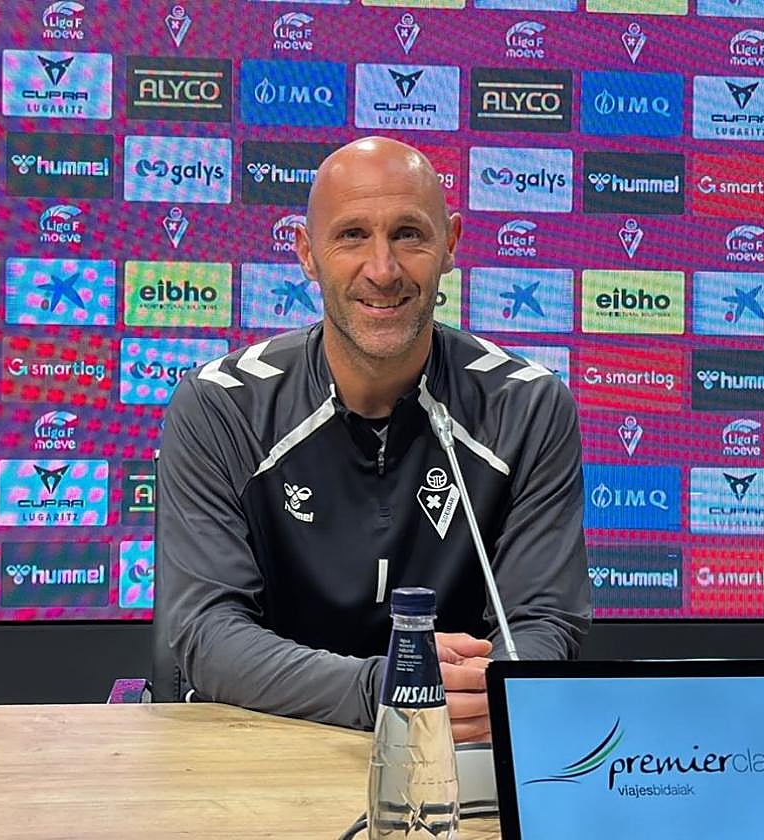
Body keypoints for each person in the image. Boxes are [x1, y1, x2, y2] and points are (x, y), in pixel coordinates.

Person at [154, 136, 590, 742]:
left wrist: (498, 689)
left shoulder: (529, 404)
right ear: (307, 254)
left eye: (409, 234)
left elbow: (544, 622)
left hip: (454, 754)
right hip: (261, 746)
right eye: (352, 235)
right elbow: (205, 631)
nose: (382, 270)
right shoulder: (219, 405)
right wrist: (385, 688)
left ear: (451, 245)